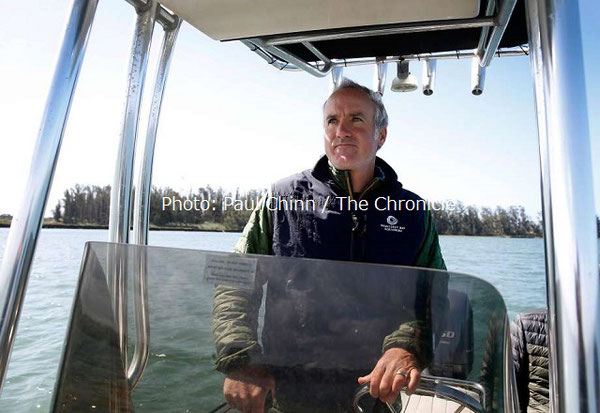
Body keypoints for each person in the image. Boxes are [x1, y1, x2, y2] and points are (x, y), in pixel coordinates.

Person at [213, 78, 446, 413]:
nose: (342, 131)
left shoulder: (413, 212)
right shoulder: (282, 198)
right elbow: (234, 280)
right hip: (288, 392)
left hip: (374, 394)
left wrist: (406, 347)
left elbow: (433, 295)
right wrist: (240, 359)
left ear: (380, 135)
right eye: (332, 121)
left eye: (356, 119)